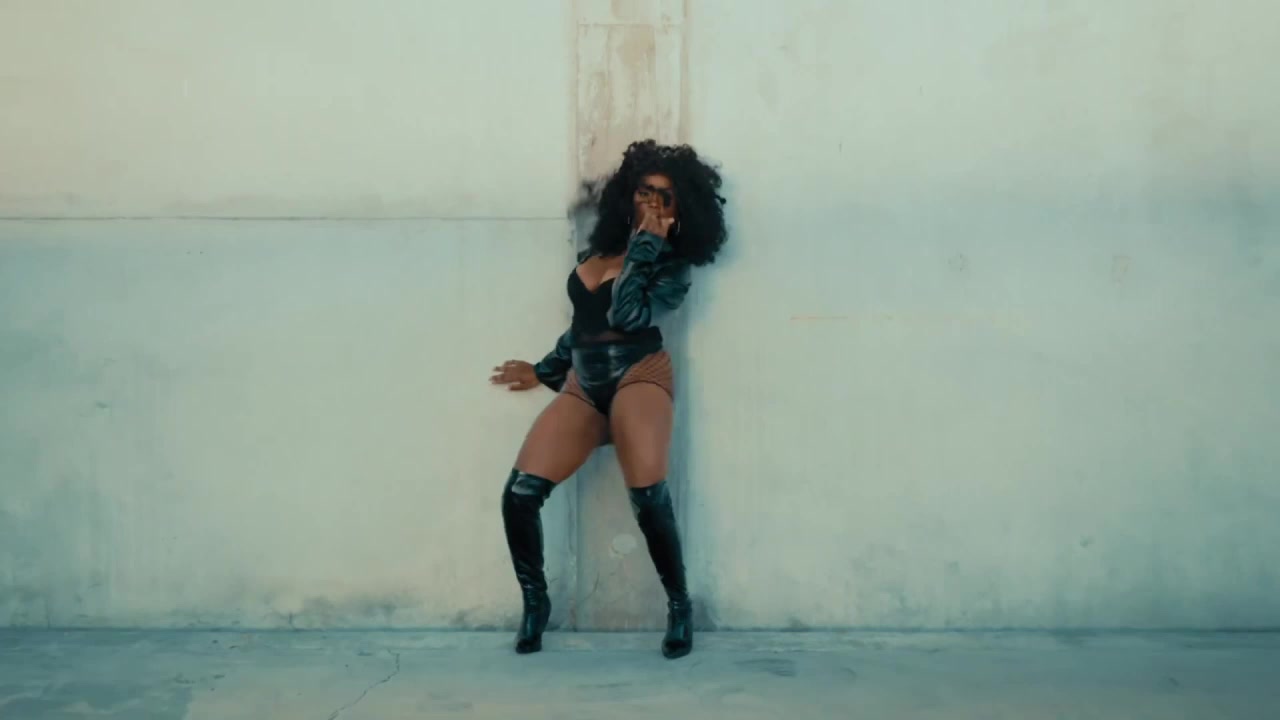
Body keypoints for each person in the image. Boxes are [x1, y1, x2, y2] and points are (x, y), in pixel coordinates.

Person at [489, 140, 728, 659]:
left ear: (681, 207)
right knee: (520, 493)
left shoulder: (672, 266)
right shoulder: (595, 256)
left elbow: (626, 318)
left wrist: (647, 247)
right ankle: (535, 602)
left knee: (647, 494)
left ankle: (679, 605)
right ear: (628, 194)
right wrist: (545, 369)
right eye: (645, 191)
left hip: (639, 375)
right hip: (586, 382)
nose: (653, 202)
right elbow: (585, 325)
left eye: (665, 196)